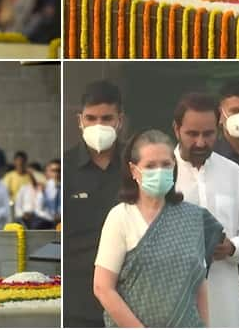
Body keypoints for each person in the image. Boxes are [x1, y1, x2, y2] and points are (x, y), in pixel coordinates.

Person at [93, 129, 224, 327]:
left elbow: (199, 284)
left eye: (165, 165)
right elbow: (102, 287)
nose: (159, 171)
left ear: (174, 167)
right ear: (134, 170)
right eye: (150, 166)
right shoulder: (121, 217)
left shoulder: (193, 218)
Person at [171, 94, 239, 327]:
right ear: (176, 130)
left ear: (219, 129)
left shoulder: (234, 173)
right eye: (192, 134)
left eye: (208, 134)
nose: (201, 143)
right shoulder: (162, 172)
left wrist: (233, 247)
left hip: (225, 301)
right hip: (174, 301)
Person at [63, 80, 126, 327]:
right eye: (91, 118)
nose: (98, 126)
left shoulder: (135, 167)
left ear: (119, 120)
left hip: (127, 296)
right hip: (77, 299)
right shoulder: (66, 168)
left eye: (106, 118)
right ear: (80, 120)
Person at [31, 159, 61, 229]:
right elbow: (38, 210)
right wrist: (52, 218)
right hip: (46, 222)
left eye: (59, 171)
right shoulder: (43, 187)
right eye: (53, 171)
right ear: (47, 173)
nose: (56, 174)